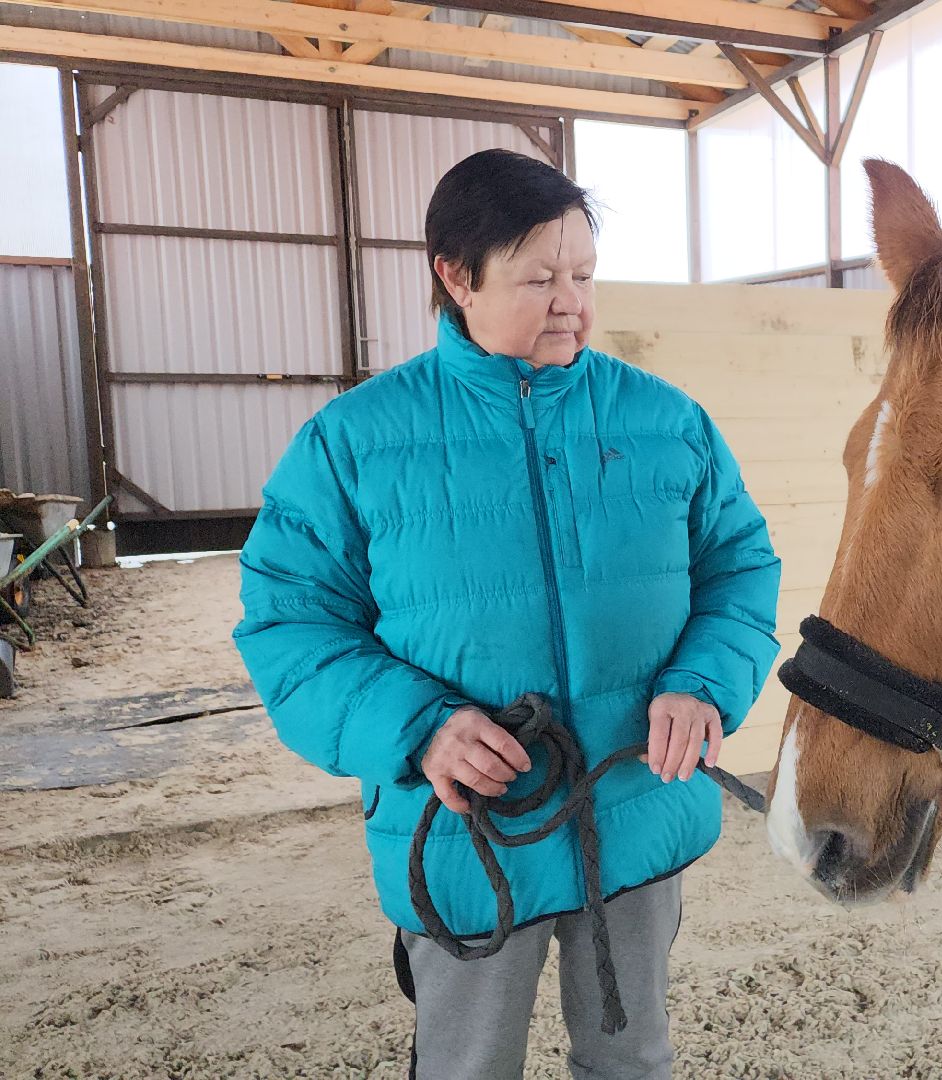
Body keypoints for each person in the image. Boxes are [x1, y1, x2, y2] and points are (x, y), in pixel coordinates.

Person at [232, 148, 781, 1079]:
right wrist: (420, 731)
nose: (571, 301)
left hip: (635, 814)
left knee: (633, 1058)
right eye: (540, 278)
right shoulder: (354, 441)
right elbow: (291, 624)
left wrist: (702, 686)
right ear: (455, 277)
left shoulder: (666, 420)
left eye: (583, 275)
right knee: (466, 1066)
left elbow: (740, 567)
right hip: (465, 832)